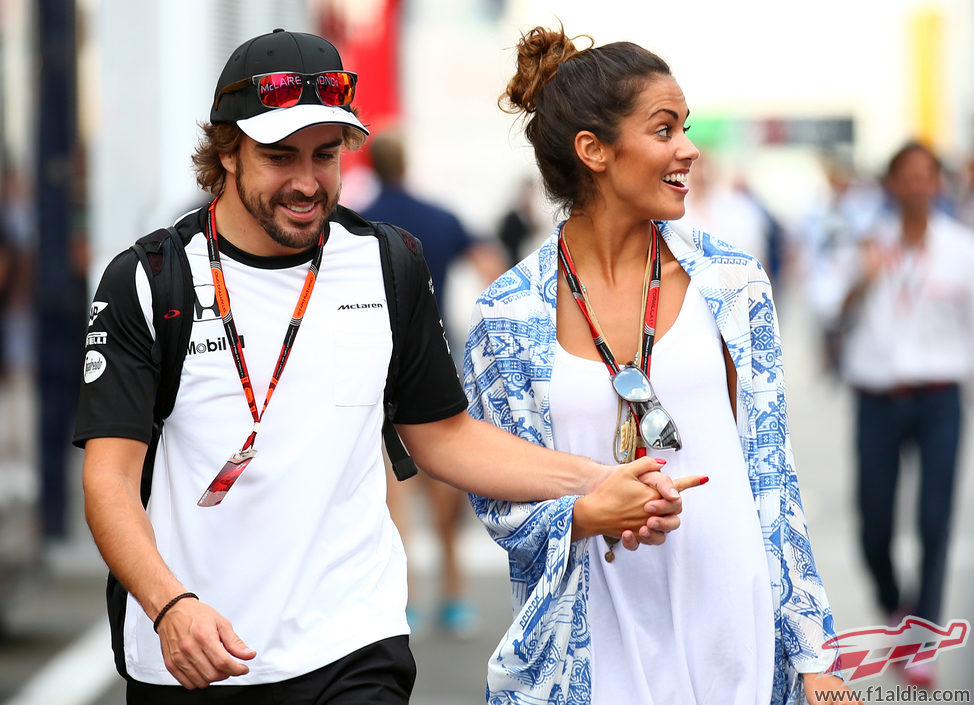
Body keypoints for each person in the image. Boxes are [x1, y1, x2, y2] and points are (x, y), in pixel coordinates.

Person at [72, 29, 694, 704]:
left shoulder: (387, 261)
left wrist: (598, 480)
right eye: (280, 157)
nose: (308, 182)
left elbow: (444, 435)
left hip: (352, 645)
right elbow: (108, 479)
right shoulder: (149, 279)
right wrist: (169, 605)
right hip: (190, 652)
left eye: (326, 155)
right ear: (227, 150)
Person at [463, 25, 861, 704]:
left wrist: (813, 650)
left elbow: (772, 474)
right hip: (593, 646)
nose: (689, 148)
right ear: (594, 150)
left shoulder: (732, 283)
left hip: (737, 632)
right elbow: (499, 500)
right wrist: (586, 510)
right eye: (665, 129)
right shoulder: (506, 316)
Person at [814, 140, 974, 690]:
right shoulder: (863, 243)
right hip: (877, 398)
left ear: (938, 184)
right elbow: (827, 308)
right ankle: (895, 607)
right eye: (905, 175)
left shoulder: (960, 248)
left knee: (935, 522)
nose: (916, 185)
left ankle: (922, 636)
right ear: (890, 184)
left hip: (939, 399)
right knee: (874, 526)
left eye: (926, 175)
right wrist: (866, 277)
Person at [361, 128, 507, 637]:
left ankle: (407, 598)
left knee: (391, 487)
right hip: (435, 353)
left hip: (376, 361)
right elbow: (492, 267)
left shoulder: (363, 223)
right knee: (446, 478)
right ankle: (455, 592)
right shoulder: (441, 216)